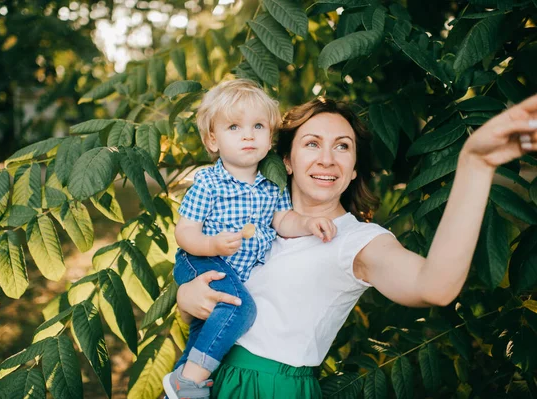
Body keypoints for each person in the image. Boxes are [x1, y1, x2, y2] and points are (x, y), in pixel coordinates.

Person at [175, 95, 537, 398]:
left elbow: (435, 285)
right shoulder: (253, 215)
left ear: (352, 170)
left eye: (343, 147)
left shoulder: (355, 241)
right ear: (286, 159)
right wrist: (186, 299)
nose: (327, 158)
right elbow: (215, 292)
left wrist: (476, 164)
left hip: (268, 387)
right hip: (203, 373)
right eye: (312, 143)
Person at [163, 80, 337, 399]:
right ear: (212, 140)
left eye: (258, 126)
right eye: (234, 126)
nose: (248, 134)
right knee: (240, 311)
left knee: (208, 330)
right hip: (201, 259)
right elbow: (184, 232)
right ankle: (187, 384)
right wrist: (212, 245)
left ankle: (178, 384)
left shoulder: (271, 187)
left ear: (270, 138)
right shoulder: (209, 182)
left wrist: (309, 223)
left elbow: (283, 220)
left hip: (234, 270)